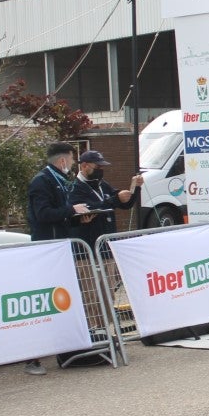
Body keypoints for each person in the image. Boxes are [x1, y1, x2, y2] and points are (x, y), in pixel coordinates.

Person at [24, 142, 90, 375]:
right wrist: (71, 211)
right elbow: (43, 215)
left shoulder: (58, 181)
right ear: (63, 161)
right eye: (72, 160)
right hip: (47, 250)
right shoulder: (42, 182)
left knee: (64, 298)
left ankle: (65, 347)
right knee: (44, 301)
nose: (72, 164)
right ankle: (32, 357)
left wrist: (76, 217)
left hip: (61, 247)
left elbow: (60, 213)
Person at [67, 150, 143, 251]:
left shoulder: (102, 184)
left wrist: (135, 188)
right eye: (98, 167)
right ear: (84, 166)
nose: (100, 170)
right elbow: (88, 208)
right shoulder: (75, 187)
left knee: (110, 265)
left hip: (108, 244)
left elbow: (125, 204)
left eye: (102, 167)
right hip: (87, 247)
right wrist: (114, 200)